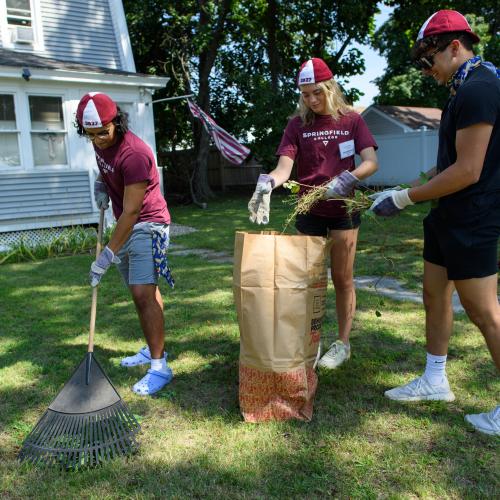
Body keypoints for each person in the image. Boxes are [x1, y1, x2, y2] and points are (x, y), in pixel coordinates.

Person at [370, 10, 500, 436]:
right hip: (447, 215)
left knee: (484, 313)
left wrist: (405, 199)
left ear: (455, 47)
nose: (427, 71)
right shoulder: (460, 89)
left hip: (474, 217)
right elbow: (443, 165)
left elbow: (467, 171)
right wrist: (394, 190)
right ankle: (434, 379)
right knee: (433, 294)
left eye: (430, 60)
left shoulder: (481, 88)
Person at [248, 58, 378, 369]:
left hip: (343, 209)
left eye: (317, 92)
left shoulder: (351, 121)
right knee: (309, 281)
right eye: (305, 94)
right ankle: (310, 342)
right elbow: (283, 169)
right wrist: (267, 183)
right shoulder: (297, 125)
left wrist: (349, 178)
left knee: (342, 277)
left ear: (331, 88)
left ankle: (342, 343)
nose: (312, 100)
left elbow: (371, 162)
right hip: (308, 210)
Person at [75, 92, 175, 396]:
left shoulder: (134, 153)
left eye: (103, 132)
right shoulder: (99, 140)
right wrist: (100, 183)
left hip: (148, 224)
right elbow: (106, 167)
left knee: (142, 293)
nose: (98, 140)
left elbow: (132, 211)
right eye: (90, 134)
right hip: (126, 222)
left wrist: (106, 255)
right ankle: (152, 349)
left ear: (115, 122)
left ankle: (160, 368)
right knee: (144, 293)